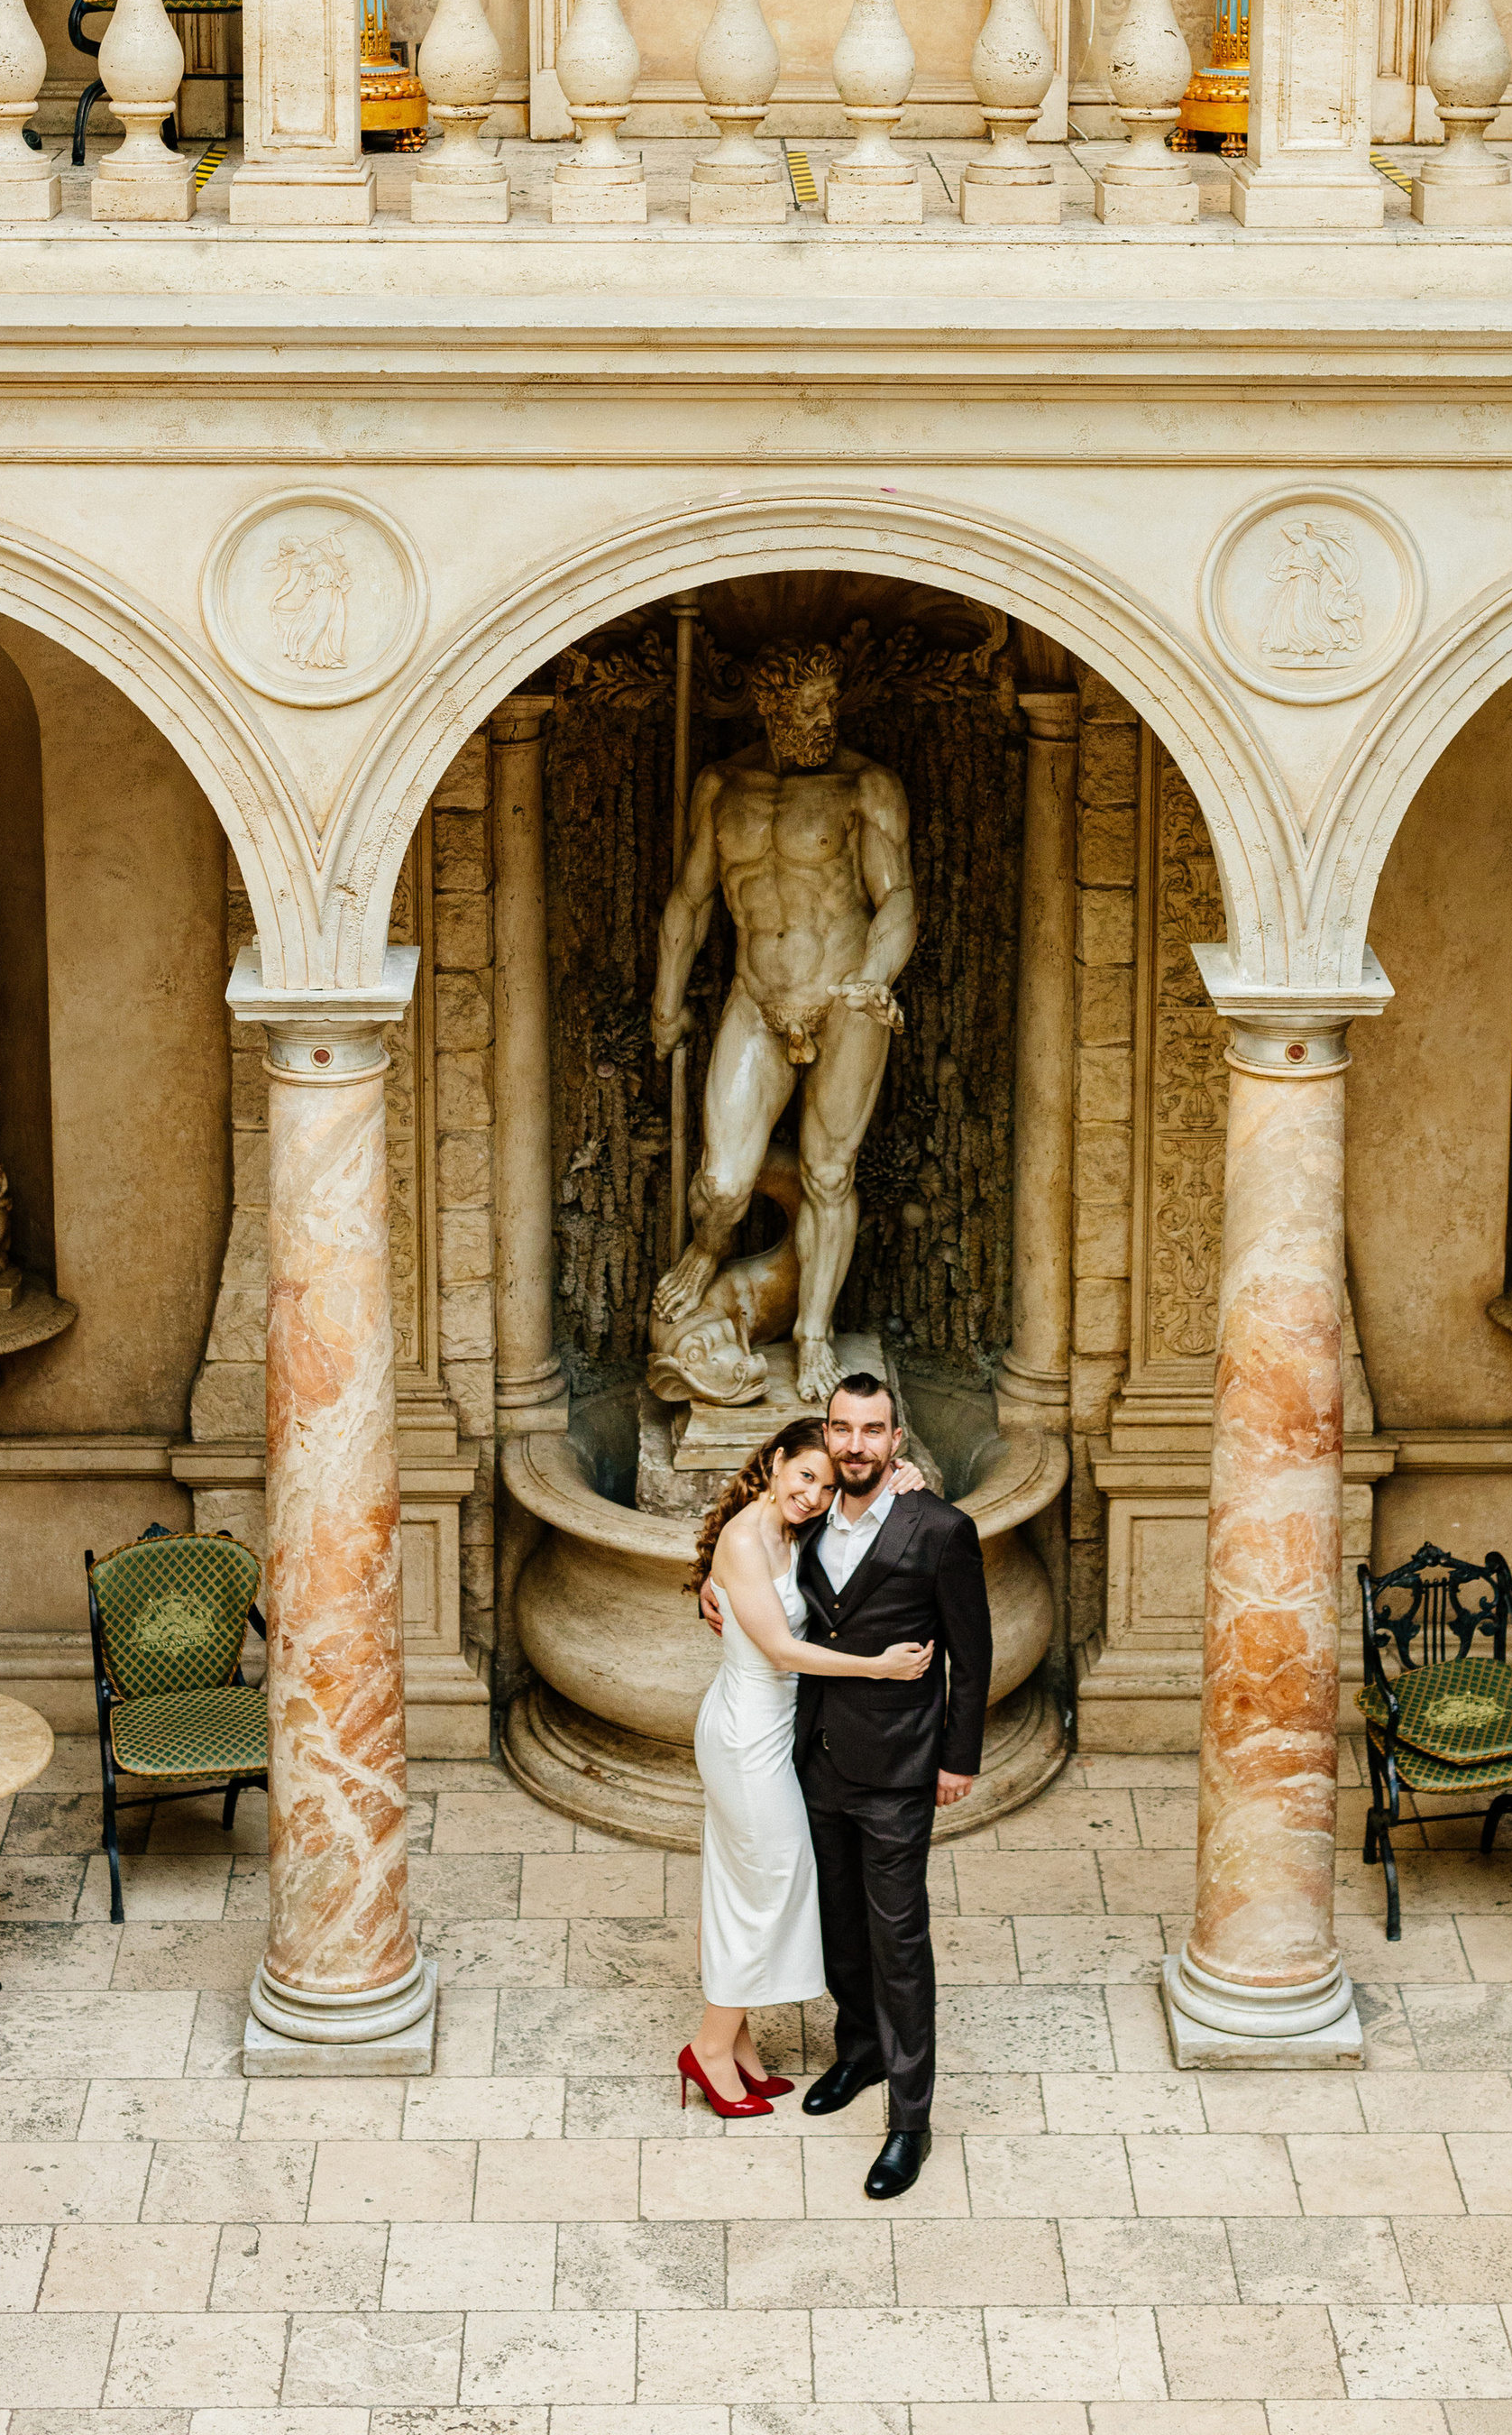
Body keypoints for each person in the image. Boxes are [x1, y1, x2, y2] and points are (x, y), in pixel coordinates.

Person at [700, 1366, 992, 2198]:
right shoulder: (808, 1515)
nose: (855, 1446)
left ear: (896, 1440)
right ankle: (858, 2052)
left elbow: (973, 1655)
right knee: (838, 1924)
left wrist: (958, 1758)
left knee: (898, 1942)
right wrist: (711, 1599)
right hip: (811, 1760)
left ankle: (910, 2123)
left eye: (872, 1431)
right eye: (842, 1429)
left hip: (898, 1768)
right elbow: (759, 1593)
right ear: (824, 1435)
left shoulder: (941, 1529)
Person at [649, 638, 915, 1407]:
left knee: (829, 1174)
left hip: (846, 1002)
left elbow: (898, 899)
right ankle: (708, 1248)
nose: (825, 719)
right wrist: (667, 1001)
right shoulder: (721, 786)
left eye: (831, 702)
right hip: (756, 1002)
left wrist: (874, 978)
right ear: (769, 704)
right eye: (810, 705)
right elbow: (691, 900)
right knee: (721, 1183)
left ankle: (813, 1335)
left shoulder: (865, 786)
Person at [681, 1417, 932, 2122]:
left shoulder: (796, 1528)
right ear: (776, 1463)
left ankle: (737, 2045)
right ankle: (708, 2047)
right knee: (771, 1888)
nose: (816, 1495)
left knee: (740, 1886)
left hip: (774, 1729)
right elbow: (783, 1652)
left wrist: (906, 1474)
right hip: (745, 1737)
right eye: (805, 1476)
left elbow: (870, 1499)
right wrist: (878, 1668)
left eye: (825, 1486)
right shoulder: (744, 1540)